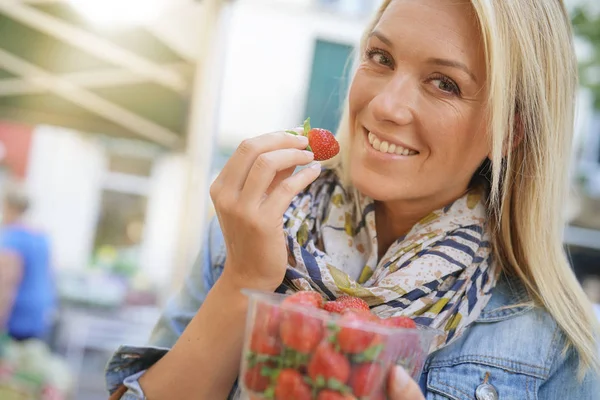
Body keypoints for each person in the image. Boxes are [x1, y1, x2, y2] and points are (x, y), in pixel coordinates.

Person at [106, 0, 600, 399]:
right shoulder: (247, 232)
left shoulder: (555, 342)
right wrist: (244, 280)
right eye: (381, 58)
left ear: (508, 131)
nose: (384, 105)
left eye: (444, 83)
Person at [0, 182, 55, 342]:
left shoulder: (11, 238)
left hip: (17, 313)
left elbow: (7, 282)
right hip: (39, 311)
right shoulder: (41, 237)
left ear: (8, 206)